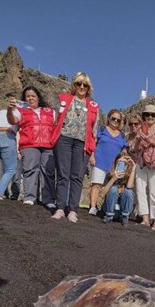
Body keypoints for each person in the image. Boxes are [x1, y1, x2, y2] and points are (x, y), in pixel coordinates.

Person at [50, 72, 99, 223]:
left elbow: (95, 129)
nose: (82, 87)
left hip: (82, 143)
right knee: (63, 174)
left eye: (85, 85)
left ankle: (72, 210)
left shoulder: (93, 106)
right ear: (74, 85)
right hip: (64, 138)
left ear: (89, 88)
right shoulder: (64, 99)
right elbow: (55, 119)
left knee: (77, 176)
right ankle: (60, 208)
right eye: (79, 84)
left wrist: (92, 152)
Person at [7, 86, 57, 208]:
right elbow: (12, 121)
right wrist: (9, 109)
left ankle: (49, 199)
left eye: (33, 96)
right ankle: (29, 197)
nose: (30, 98)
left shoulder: (51, 112)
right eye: (27, 96)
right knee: (30, 170)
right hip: (29, 145)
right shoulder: (20, 111)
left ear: (38, 97)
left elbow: (59, 126)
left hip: (49, 145)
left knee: (48, 172)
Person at [129, 105, 155, 230]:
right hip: (141, 161)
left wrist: (148, 140)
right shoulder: (140, 129)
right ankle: (145, 218)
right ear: (144, 116)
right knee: (140, 189)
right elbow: (134, 148)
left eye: (152, 115)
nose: (150, 117)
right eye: (147, 114)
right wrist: (140, 140)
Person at [88, 109, 127, 215]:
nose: (115, 121)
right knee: (96, 185)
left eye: (118, 120)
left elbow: (124, 150)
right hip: (100, 161)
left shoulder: (122, 135)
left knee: (110, 188)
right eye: (113, 118)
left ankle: (106, 208)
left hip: (113, 167)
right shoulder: (102, 129)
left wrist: (124, 159)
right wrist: (91, 156)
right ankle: (92, 207)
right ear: (108, 118)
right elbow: (93, 143)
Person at [101, 148, 136, 226]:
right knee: (113, 188)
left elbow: (129, 187)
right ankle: (109, 216)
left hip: (122, 211)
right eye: (119, 163)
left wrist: (133, 168)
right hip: (110, 209)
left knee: (128, 191)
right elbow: (102, 194)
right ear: (115, 163)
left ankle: (125, 217)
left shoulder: (130, 176)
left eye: (124, 163)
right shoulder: (109, 175)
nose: (122, 165)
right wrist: (113, 179)